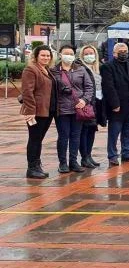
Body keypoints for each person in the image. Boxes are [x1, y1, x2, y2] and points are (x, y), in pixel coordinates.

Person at [52, 44, 94, 173]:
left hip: (78, 108)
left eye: (71, 54)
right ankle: (62, 163)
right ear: (60, 55)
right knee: (63, 136)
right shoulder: (54, 71)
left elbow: (89, 87)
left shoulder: (81, 69)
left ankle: (73, 162)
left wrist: (84, 100)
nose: (68, 56)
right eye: (66, 53)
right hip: (62, 109)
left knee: (76, 136)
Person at [101, 43, 129, 165]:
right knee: (114, 133)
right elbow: (108, 87)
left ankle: (127, 153)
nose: (123, 53)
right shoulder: (107, 66)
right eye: (121, 51)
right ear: (114, 53)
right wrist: (115, 104)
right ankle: (112, 155)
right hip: (117, 106)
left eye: (125, 51)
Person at [21, 45, 57, 179]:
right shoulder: (31, 69)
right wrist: (30, 110)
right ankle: (31, 168)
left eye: (48, 55)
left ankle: (37, 166)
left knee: (39, 139)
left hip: (47, 110)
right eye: (43, 55)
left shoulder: (47, 70)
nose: (46, 58)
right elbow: (27, 91)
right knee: (34, 139)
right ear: (36, 56)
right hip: (36, 111)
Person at [78, 45, 105, 168]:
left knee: (92, 130)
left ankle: (89, 155)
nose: (89, 56)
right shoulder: (80, 68)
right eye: (86, 54)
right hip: (86, 103)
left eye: (91, 53)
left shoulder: (98, 67)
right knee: (84, 130)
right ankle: (84, 157)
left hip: (97, 103)